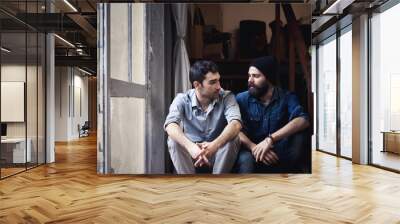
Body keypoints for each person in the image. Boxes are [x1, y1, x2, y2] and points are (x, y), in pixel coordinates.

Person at [164, 60, 242, 174]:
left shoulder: (227, 96)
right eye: (213, 82)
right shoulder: (182, 99)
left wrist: (214, 146)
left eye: (218, 80)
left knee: (234, 138)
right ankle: (190, 186)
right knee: (173, 140)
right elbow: (170, 125)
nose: (219, 87)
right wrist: (191, 147)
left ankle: (216, 186)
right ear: (197, 85)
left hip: (217, 152)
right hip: (192, 154)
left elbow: (236, 124)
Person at [235, 56, 310, 173]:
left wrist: (270, 139)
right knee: (245, 159)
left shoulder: (286, 97)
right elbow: (233, 128)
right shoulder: (241, 99)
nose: (250, 80)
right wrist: (254, 147)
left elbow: (303, 120)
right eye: (249, 75)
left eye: (255, 76)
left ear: (268, 78)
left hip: (278, 150)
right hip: (251, 150)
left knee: (300, 138)